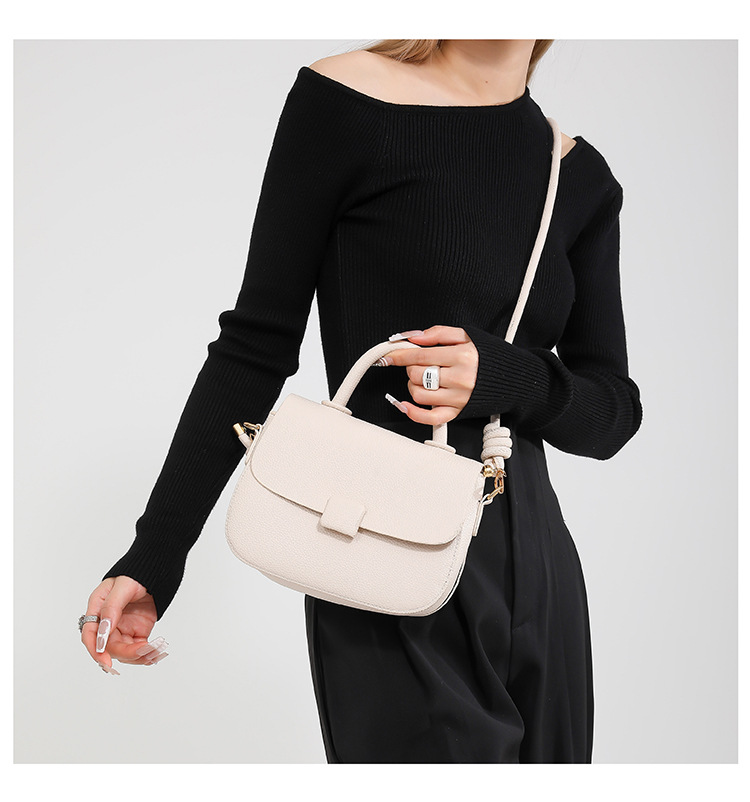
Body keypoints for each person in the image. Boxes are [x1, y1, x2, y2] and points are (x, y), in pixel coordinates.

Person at [79, 40, 643, 762]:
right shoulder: (347, 102)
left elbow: (612, 413)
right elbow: (255, 346)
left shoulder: (579, 176)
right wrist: (156, 555)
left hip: (540, 577)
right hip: (379, 554)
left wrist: (506, 377)